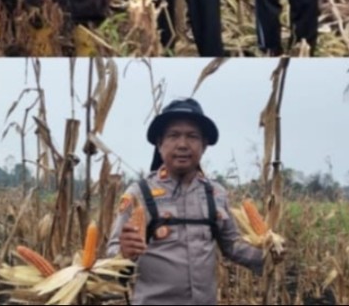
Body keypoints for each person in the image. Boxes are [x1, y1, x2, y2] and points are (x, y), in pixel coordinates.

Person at [106, 99, 267, 304]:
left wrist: (268, 255)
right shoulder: (139, 195)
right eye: (173, 135)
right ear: (159, 144)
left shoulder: (216, 193)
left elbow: (232, 245)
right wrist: (123, 253)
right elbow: (112, 257)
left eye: (192, 136)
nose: (182, 144)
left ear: (204, 145)